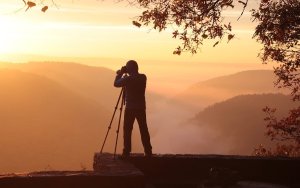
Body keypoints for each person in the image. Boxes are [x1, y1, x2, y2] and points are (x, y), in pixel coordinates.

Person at [114, 60, 152, 157]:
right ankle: (148, 151)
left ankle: (126, 151)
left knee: (127, 129)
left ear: (129, 69)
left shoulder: (128, 79)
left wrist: (120, 73)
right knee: (143, 129)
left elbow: (116, 84)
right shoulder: (143, 77)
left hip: (130, 108)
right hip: (141, 107)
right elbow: (133, 78)